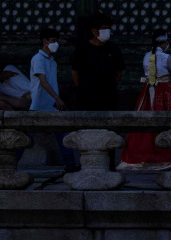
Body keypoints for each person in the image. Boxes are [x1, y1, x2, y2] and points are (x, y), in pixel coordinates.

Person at [119, 30, 171, 170]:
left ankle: (143, 154)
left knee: (145, 121)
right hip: (165, 91)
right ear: (164, 43)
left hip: (148, 91)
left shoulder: (147, 56)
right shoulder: (166, 57)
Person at [30, 27, 76, 172]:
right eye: (53, 41)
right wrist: (57, 98)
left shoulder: (52, 61)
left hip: (51, 106)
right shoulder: (38, 59)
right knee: (27, 137)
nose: (55, 44)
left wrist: (56, 99)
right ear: (45, 41)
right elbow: (43, 81)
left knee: (62, 135)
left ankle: (70, 165)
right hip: (38, 106)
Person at [71, 13, 124, 111]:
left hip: (108, 95)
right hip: (86, 95)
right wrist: (83, 87)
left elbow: (119, 72)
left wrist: (109, 85)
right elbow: (75, 72)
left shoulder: (113, 49)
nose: (107, 31)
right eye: (104, 28)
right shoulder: (82, 49)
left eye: (108, 28)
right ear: (94, 31)